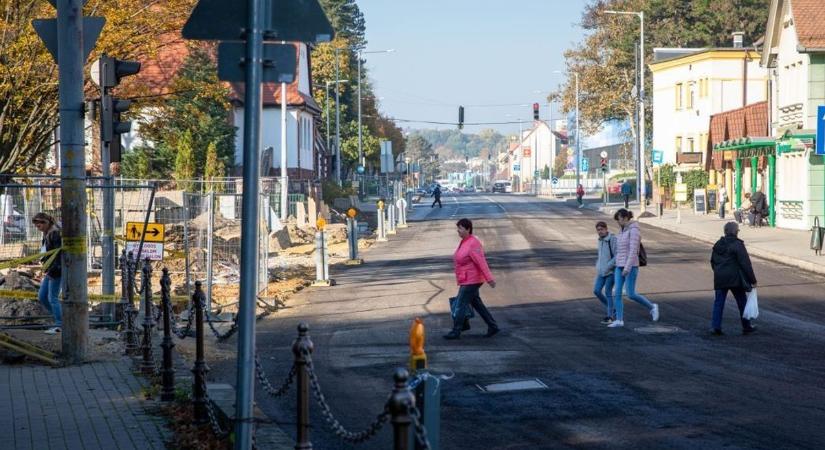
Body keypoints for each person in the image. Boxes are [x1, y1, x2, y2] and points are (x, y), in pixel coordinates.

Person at [444, 218, 500, 339]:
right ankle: (493, 326)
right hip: (467, 278)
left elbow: (481, 262)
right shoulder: (465, 241)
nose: (458, 231)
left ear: (468, 229)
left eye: (460, 228)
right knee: (476, 303)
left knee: (460, 304)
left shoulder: (473, 243)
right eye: (457, 228)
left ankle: (456, 330)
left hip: (472, 280)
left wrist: (489, 279)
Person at [609, 208, 659, 328]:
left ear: (625, 218)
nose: (618, 222)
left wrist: (627, 268)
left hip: (631, 266)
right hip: (619, 266)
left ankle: (652, 307)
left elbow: (633, 251)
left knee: (631, 294)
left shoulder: (634, 230)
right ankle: (619, 320)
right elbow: (619, 251)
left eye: (619, 219)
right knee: (617, 293)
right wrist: (613, 265)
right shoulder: (621, 231)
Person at [710, 222, 757, 335]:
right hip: (736, 279)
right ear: (735, 232)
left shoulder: (718, 244)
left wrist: (718, 272)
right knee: (742, 302)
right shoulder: (738, 245)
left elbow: (712, 261)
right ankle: (746, 326)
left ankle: (715, 327)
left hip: (720, 278)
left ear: (725, 231)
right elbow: (745, 264)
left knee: (718, 303)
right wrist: (752, 280)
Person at [33, 212, 62, 335]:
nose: (37, 226)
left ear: (46, 222)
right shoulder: (47, 233)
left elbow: (58, 254)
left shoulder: (54, 234)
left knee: (52, 298)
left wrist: (53, 270)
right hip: (50, 269)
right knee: (42, 296)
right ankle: (61, 319)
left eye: (39, 223)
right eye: (36, 224)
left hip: (56, 270)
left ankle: (60, 324)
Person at [593, 221, 617, 324]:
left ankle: (610, 316)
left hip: (611, 271)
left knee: (608, 292)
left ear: (606, 229)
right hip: (601, 271)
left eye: (602, 229)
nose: (600, 232)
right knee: (596, 291)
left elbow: (617, 255)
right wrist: (598, 265)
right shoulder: (600, 240)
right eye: (598, 230)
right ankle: (612, 309)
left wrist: (608, 266)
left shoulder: (612, 239)